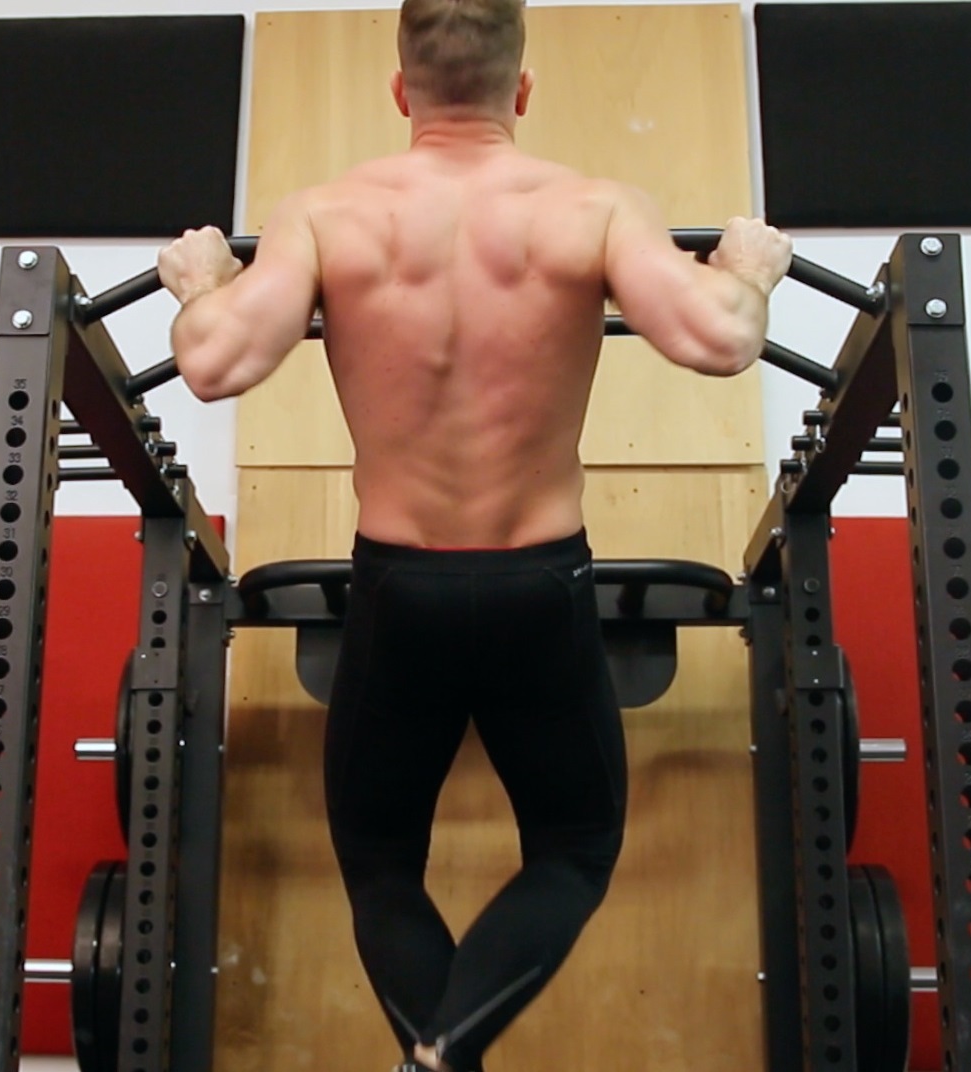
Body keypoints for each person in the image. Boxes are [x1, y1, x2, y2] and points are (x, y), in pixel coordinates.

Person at [156, 0, 792, 1068]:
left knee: (379, 862)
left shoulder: (326, 217)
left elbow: (213, 362)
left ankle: (437, 1055)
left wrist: (207, 283)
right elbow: (723, 337)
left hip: (397, 589)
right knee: (575, 847)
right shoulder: (593, 209)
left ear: (400, 90)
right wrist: (747, 266)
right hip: (538, 585)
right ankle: (445, 1053)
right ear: (522, 89)